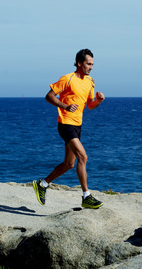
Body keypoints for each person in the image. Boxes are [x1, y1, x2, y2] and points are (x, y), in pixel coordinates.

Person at [33, 48, 105, 209]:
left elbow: (90, 105)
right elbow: (49, 96)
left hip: (78, 125)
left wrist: (98, 101)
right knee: (83, 157)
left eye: (92, 64)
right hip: (65, 124)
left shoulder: (90, 81)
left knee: (69, 164)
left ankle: (42, 184)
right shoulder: (68, 78)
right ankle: (86, 196)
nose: (91, 67)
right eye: (88, 64)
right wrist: (65, 106)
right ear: (80, 63)